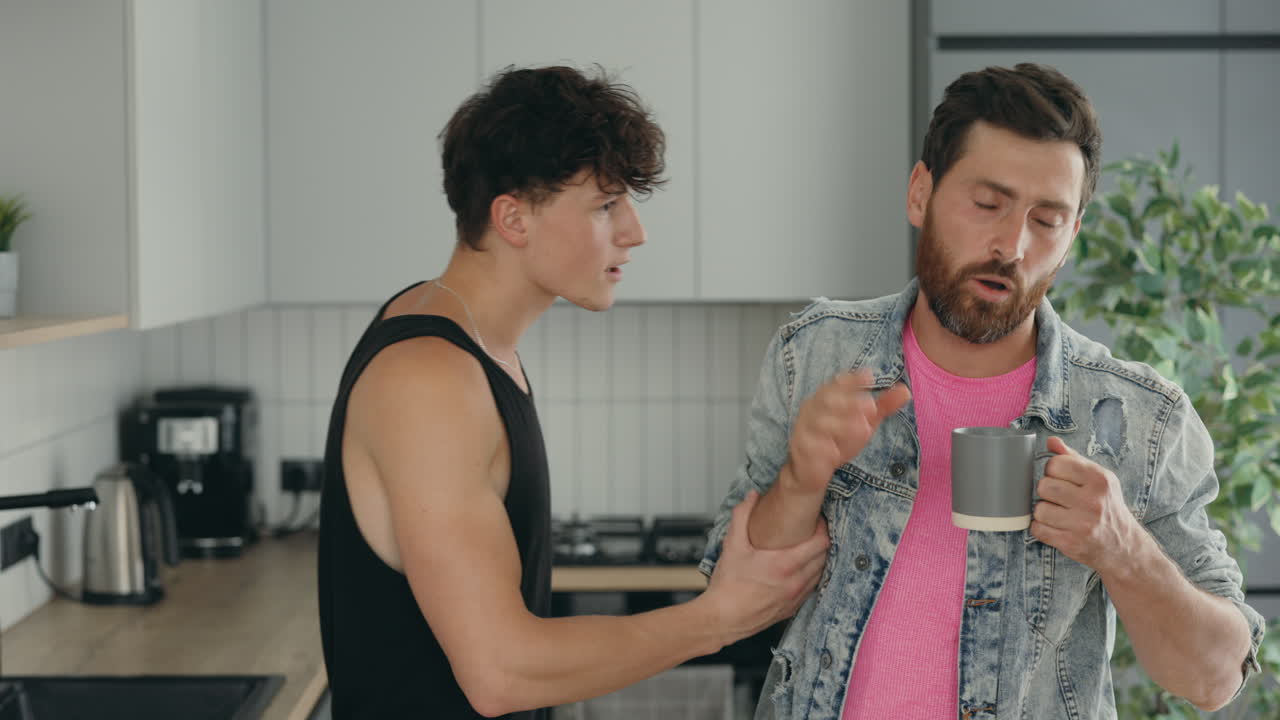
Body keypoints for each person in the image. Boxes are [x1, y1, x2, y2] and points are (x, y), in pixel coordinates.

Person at [700, 63, 1265, 719]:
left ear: (1072, 235)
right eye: (987, 204)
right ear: (920, 194)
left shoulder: (1141, 417)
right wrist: (803, 476)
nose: (1012, 245)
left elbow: (1214, 679)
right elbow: (730, 603)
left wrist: (1123, 548)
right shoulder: (817, 352)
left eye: (1047, 220)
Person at [316, 65, 829, 719]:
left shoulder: (468, 342)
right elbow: (499, 671)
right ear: (514, 219)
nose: (635, 232)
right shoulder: (428, 380)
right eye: (605, 205)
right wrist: (718, 618)